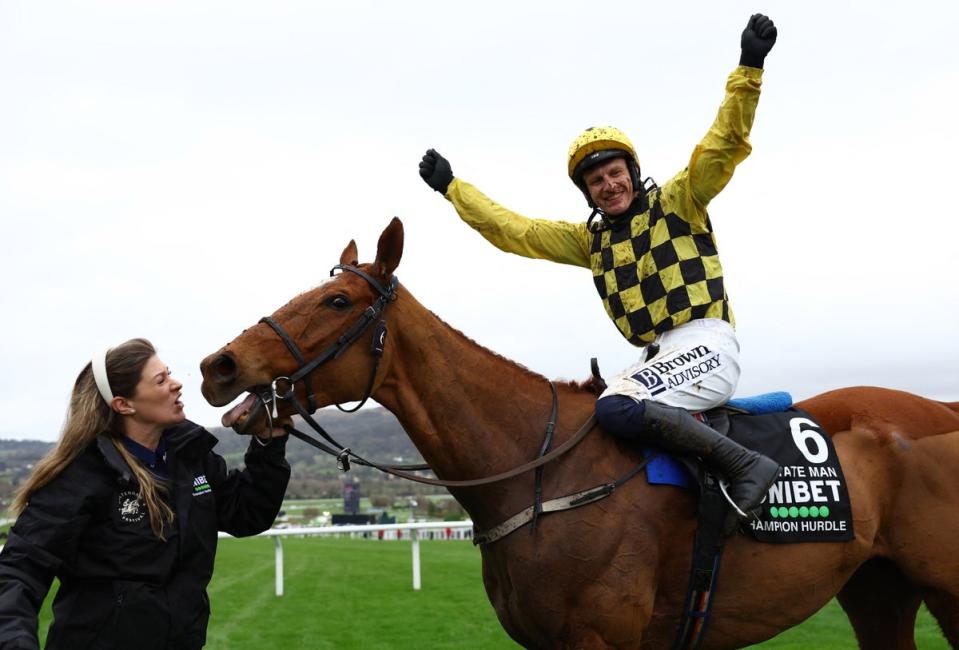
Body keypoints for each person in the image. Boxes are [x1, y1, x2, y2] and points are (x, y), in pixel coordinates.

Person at [418, 14, 780, 520]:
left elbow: (722, 143)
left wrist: (749, 67)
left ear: (632, 172)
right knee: (590, 416)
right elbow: (516, 231)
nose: (609, 185)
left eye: (615, 173)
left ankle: (746, 466)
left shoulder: (680, 200)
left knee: (615, 407)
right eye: (596, 181)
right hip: (656, 358)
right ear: (587, 192)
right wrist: (455, 189)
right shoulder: (590, 241)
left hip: (707, 344)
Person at [0, 338, 290, 649]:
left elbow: (247, 515)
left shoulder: (192, 456)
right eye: (161, 380)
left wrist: (267, 445)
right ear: (124, 404)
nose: (177, 384)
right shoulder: (80, 475)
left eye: (170, 373)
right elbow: (20, 570)